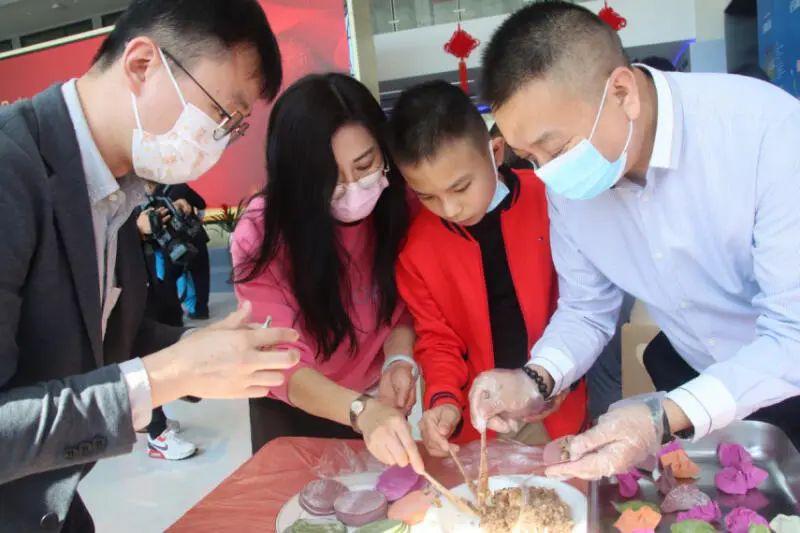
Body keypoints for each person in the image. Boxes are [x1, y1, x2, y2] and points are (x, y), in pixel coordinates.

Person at [470, 0, 800, 480]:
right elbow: (586, 308)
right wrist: (535, 378)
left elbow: (793, 333)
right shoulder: (568, 185)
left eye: (555, 148)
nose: (547, 173)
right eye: (530, 157)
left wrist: (660, 417)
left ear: (622, 93)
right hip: (697, 379)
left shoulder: (766, 134)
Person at [0, 1, 297, 530]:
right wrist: (163, 377)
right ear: (142, 64)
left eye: (235, 127)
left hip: (50, 505)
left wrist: (200, 351)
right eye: (221, 113)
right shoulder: (11, 170)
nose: (221, 141)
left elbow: (112, 336)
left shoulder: (117, 188)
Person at [231, 73, 424, 473]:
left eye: (365, 164)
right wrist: (359, 410)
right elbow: (281, 361)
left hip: (376, 398)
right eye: (328, 177)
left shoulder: (400, 204)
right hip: (296, 404)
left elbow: (403, 305)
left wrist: (398, 359)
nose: (354, 187)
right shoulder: (263, 233)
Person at [386, 81, 587, 457]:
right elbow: (437, 341)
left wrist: (561, 379)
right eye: (427, 196)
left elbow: (582, 307)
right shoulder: (417, 250)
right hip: (480, 422)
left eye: (461, 187)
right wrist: (444, 401)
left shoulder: (551, 200)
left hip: (555, 406)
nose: (450, 209)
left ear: (495, 152)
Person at [135, 195, 198, 460]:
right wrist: (135, 231)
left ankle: (150, 419)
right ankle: (157, 434)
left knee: (156, 348)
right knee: (141, 359)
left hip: (152, 283)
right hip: (127, 296)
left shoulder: (140, 196)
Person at [158, 183, 212, 319]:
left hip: (172, 243)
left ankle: (174, 314)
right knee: (201, 274)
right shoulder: (180, 187)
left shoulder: (150, 197)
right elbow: (201, 203)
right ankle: (202, 310)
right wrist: (198, 219)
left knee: (170, 279)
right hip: (195, 236)